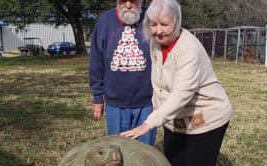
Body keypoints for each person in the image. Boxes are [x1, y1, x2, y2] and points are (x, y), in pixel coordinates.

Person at [120, 0, 233, 165]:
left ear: (176, 21)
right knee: (172, 160)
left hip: (206, 118)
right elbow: (157, 79)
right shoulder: (155, 43)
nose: (158, 31)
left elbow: (182, 94)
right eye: (153, 24)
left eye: (164, 24)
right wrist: (157, 105)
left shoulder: (188, 49)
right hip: (176, 118)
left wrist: (148, 124)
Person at [88, 0, 157, 146]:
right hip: (115, 103)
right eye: (123, 0)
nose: (127, 5)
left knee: (145, 152)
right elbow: (96, 60)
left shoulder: (153, 19)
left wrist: (162, 96)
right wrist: (97, 96)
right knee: (117, 151)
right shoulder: (105, 22)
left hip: (147, 102)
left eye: (133, 1)